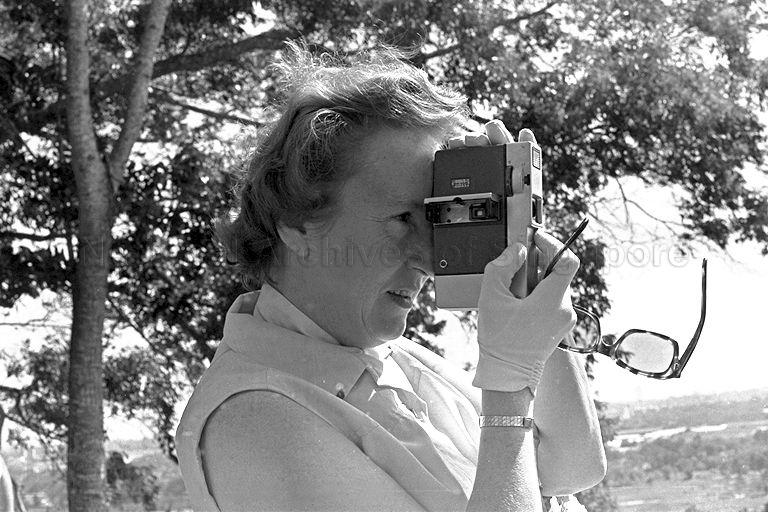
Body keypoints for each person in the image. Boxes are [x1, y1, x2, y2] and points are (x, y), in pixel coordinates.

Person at [175, 43, 606, 512]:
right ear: (298, 223)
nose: (428, 256)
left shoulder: (400, 360)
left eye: (438, 218)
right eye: (403, 218)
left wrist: (529, 290)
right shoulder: (255, 421)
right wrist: (507, 389)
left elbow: (569, 471)